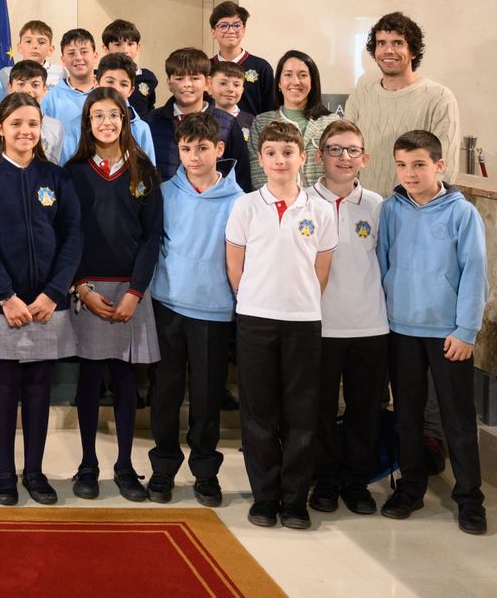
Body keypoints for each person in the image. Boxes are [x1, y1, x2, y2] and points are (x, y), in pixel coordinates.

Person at [0, 93, 82, 507]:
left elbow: (73, 238)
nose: (25, 131)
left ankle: (34, 470)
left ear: (41, 128)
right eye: (16, 123)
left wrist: (53, 293)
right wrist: (6, 296)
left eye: (32, 123)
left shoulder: (57, 178)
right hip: (4, 303)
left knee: (38, 387)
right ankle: (4, 473)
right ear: (1, 128)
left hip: (47, 304)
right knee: (3, 387)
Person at [225, 120, 336, 529]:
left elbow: (321, 271)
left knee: (301, 413)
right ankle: (264, 497)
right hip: (255, 319)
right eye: (271, 153)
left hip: (303, 322)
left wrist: (298, 300)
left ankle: (295, 500)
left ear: (303, 159)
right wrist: (255, 298)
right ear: (261, 159)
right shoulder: (246, 206)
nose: (280, 160)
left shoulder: (320, 211)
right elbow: (235, 265)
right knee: (258, 413)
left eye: (288, 153)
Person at [378, 129, 488, 536]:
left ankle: (470, 499)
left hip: (448, 334)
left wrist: (466, 330)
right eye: (402, 165)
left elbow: (475, 274)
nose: (410, 173)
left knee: (458, 420)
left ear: (439, 165)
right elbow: (381, 263)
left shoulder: (462, 213)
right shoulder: (391, 209)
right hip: (399, 329)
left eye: (419, 164)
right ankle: (410, 488)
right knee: (406, 416)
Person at [62, 88, 162, 502]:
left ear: (125, 120)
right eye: (97, 116)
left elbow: (152, 236)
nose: (106, 123)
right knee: (88, 380)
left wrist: (135, 292)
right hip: (88, 289)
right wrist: (81, 286)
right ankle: (87, 464)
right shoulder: (74, 172)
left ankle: (124, 466)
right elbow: (68, 235)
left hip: (130, 291)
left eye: (113, 115)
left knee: (125, 380)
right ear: (87, 122)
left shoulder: (143, 170)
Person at [146, 112, 243, 507]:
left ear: (219, 150)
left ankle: (205, 473)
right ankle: (163, 468)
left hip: (215, 312)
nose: (194, 156)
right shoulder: (165, 193)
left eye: (203, 148)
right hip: (168, 306)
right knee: (165, 393)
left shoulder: (240, 202)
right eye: (186, 149)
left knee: (205, 399)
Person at [307, 119, 387, 517]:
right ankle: (323, 479)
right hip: (318, 325)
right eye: (335, 149)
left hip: (369, 325)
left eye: (352, 150)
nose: (343, 157)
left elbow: (387, 263)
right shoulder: (303, 201)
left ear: (364, 158)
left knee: (364, 407)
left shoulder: (378, 206)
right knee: (318, 407)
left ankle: (356, 481)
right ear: (320, 156)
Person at [343, 12, 461, 197]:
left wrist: (419, 211)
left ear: (413, 51)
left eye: (397, 43)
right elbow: (347, 158)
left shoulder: (440, 98)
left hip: (416, 212)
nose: (388, 50)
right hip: (365, 213)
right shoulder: (360, 97)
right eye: (381, 43)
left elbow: (446, 168)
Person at [148, 47, 252, 192]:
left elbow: (242, 177)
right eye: (179, 78)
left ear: (207, 83)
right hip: (164, 205)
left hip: (216, 208)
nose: (186, 84)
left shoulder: (227, 123)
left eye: (194, 78)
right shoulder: (151, 122)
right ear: (169, 83)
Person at [249, 50, 337, 189]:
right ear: (278, 82)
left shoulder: (331, 122)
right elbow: (258, 175)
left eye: (303, 75)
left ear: (312, 81)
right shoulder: (262, 122)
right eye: (288, 75)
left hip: (320, 206)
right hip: (276, 207)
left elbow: (338, 170)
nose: (295, 82)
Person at [209, 1, 275, 117]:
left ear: (244, 30)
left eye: (236, 25)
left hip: (254, 133)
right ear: (213, 32)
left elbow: (271, 109)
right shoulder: (206, 67)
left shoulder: (261, 67)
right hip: (211, 133)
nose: (230, 31)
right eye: (223, 26)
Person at [39, 28, 100, 146]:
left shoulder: (110, 93)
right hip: (64, 163)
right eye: (71, 53)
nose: (78, 58)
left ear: (95, 55)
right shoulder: (51, 98)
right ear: (63, 59)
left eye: (84, 51)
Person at [5, 60, 65, 163]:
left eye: (35, 85)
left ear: (45, 89)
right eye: (21, 84)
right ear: (10, 87)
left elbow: (55, 165)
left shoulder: (56, 126)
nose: (28, 90)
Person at [102, 18, 158, 120]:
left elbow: (149, 109)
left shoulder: (147, 78)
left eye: (130, 44)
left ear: (138, 47)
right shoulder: (99, 77)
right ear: (106, 49)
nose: (125, 50)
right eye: (118, 44)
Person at [0, 19, 62, 89]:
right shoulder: (5, 73)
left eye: (41, 42)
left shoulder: (60, 73)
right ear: (19, 47)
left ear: (50, 50)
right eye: (28, 41)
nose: (34, 46)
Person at [209, 61, 254, 145]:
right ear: (209, 86)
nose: (230, 89)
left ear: (242, 90)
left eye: (236, 85)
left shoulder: (252, 121)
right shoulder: (201, 119)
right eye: (223, 83)